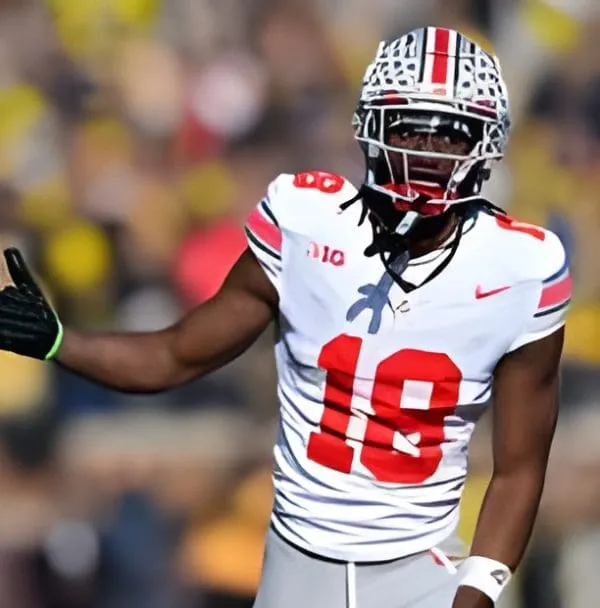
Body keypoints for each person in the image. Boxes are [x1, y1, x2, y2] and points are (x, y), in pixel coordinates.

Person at [0, 27, 570, 608]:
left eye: (449, 134)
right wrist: (58, 341)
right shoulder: (307, 223)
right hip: (298, 564)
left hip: (420, 569)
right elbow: (176, 355)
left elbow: (519, 469)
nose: (425, 151)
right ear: (372, 128)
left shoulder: (523, 267)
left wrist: (475, 594)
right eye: (408, 127)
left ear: (485, 142)